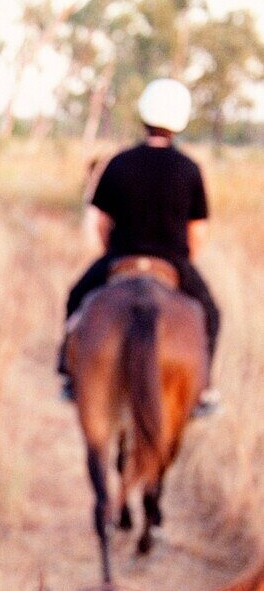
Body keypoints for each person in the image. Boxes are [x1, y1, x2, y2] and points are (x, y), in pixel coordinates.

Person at [59, 79, 220, 412]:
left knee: (75, 297)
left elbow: (102, 222)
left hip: (121, 257)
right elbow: (198, 231)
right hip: (172, 261)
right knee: (211, 314)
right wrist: (184, 260)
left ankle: (69, 373)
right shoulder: (190, 168)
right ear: (181, 120)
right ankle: (203, 390)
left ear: (143, 115)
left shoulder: (117, 162)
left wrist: (110, 252)